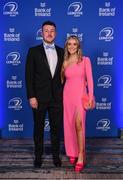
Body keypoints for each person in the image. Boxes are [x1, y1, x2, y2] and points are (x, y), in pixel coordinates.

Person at [25, 21, 64, 168]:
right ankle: (38, 156)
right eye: (46, 30)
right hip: (39, 98)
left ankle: (55, 156)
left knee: (56, 129)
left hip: (57, 98)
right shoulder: (33, 51)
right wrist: (31, 96)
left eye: (52, 30)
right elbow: (28, 76)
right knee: (38, 128)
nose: (49, 33)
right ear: (41, 33)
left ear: (56, 33)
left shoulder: (62, 51)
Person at [61, 35, 94, 172]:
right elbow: (62, 81)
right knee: (69, 125)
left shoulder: (85, 60)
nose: (72, 46)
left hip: (80, 96)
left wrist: (90, 97)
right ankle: (73, 152)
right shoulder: (64, 62)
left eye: (75, 44)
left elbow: (90, 80)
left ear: (78, 46)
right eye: (69, 44)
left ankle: (81, 155)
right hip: (67, 96)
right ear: (66, 46)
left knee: (79, 125)